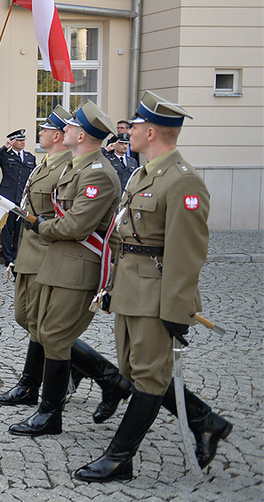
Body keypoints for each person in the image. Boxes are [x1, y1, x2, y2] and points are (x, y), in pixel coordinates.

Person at [74, 92, 232, 483]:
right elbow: (123, 237)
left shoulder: (183, 181)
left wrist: (177, 311)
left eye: (135, 127)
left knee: (147, 377)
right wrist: (110, 284)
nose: (128, 133)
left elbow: (187, 253)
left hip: (155, 295)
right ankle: (204, 419)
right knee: (136, 370)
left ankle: (119, 457)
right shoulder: (144, 173)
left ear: (150, 131)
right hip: (130, 290)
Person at [0, 108, 131, 427]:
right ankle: (58, 400)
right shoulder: (75, 166)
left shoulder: (95, 171)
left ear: (80, 135)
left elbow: (75, 225)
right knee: (43, 328)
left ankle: (61, 404)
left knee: (52, 333)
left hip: (74, 260)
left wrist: (43, 227)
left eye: (68, 126)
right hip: (54, 256)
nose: (61, 129)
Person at [0, 129, 37, 266]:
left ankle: (17, 255)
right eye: (19, 140)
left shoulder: (30, 157)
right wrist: (5, 147)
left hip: (21, 197)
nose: (23, 143)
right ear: (13, 141)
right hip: (8, 197)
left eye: (23, 140)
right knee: (8, 228)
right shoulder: (4, 156)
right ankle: (8, 258)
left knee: (19, 227)